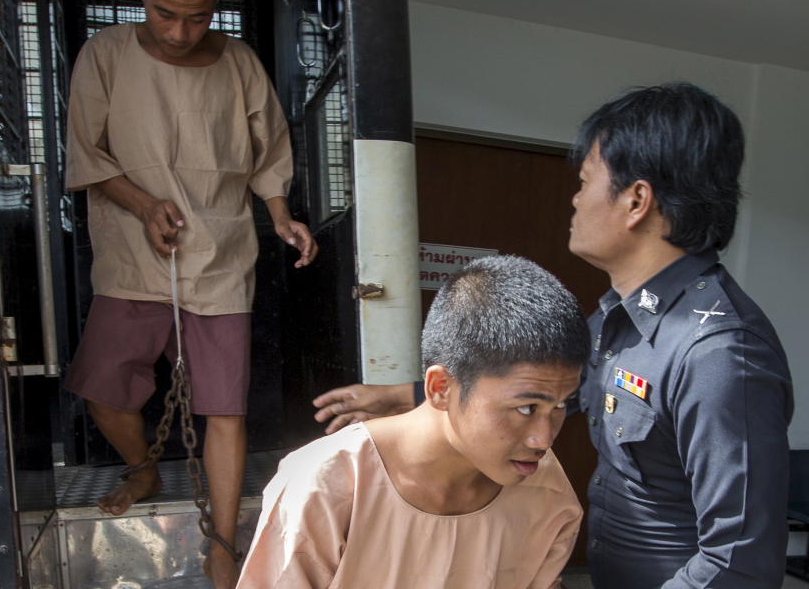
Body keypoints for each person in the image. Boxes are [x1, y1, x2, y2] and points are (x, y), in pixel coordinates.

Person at [314, 83, 794, 588]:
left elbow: (740, 562)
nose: (576, 198)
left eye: (586, 181)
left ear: (636, 200)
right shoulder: (622, 316)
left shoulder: (718, 354)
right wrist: (402, 396)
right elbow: (548, 387)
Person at [63, 0, 316, 586]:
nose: (179, 32)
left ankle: (224, 543)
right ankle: (141, 465)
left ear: (218, 5)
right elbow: (87, 154)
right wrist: (145, 205)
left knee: (223, 407)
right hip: (132, 246)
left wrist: (281, 214)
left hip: (223, 252)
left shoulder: (240, 64)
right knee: (102, 386)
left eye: (198, 18)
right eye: (165, 13)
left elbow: (269, 155)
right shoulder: (106, 54)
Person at [238, 255, 589, 588]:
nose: (543, 440)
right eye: (526, 408)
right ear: (441, 388)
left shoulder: (547, 492)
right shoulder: (328, 484)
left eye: (561, 406)